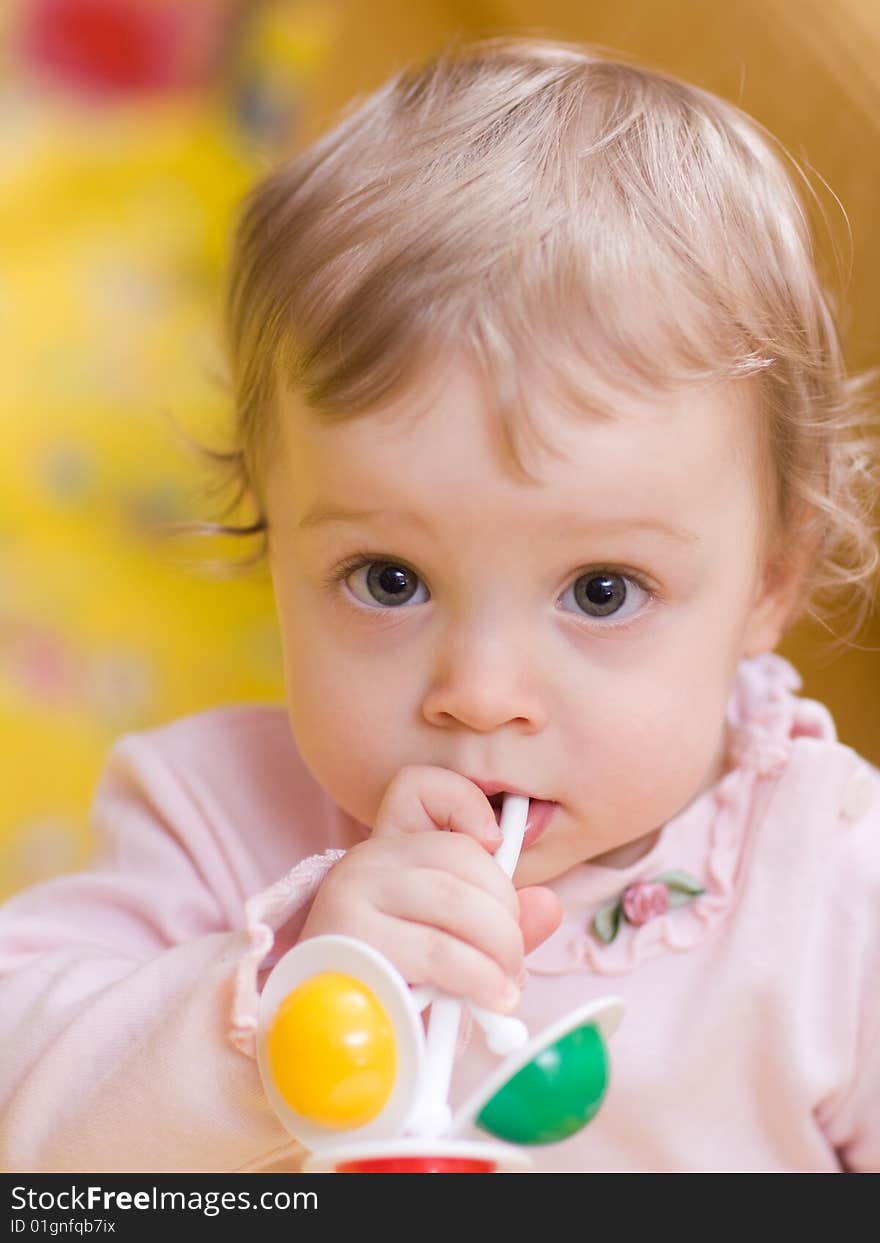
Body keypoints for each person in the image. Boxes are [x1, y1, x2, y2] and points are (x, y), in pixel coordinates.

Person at [1, 34, 878, 1174]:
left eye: (601, 591)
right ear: (276, 544)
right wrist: (286, 999)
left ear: (771, 579)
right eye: (388, 580)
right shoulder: (216, 823)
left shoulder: (829, 877)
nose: (481, 695)